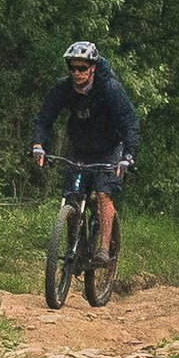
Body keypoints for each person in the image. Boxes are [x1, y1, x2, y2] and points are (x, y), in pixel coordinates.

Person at [29, 40, 139, 261]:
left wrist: (129, 156)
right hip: (80, 149)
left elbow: (129, 122)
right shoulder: (63, 88)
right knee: (72, 197)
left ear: (93, 68)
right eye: (72, 68)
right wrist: (38, 145)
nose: (76, 73)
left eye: (82, 68)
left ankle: (105, 249)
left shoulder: (110, 88)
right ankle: (74, 248)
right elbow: (44, 119)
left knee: (103, 194)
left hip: (110, 150)